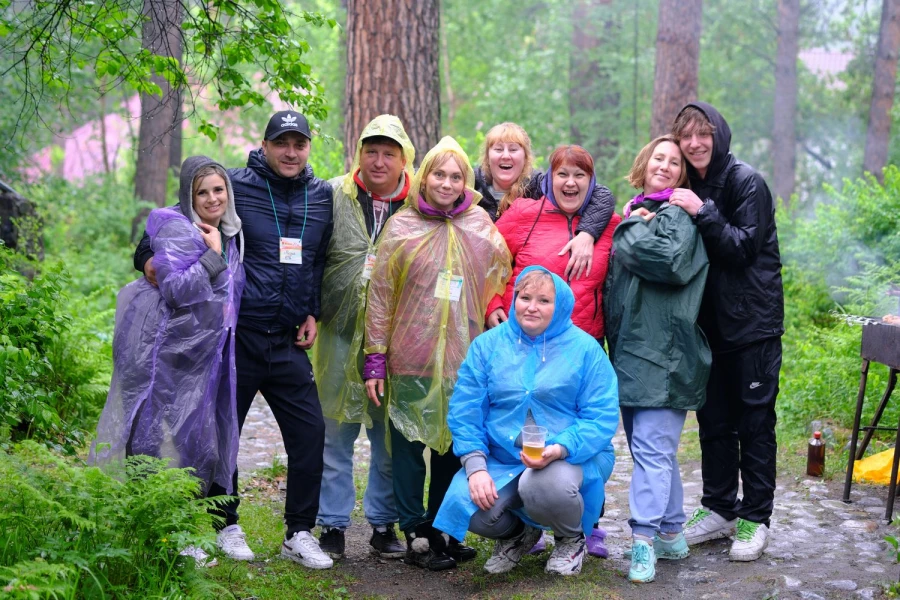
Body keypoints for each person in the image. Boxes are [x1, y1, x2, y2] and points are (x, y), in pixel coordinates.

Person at [133, 111, 335, 569]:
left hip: (286, 340)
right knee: (221, 435)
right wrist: (148, 261)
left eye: (298, 143)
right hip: (235, 339)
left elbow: (321, 259)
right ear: (263, 145)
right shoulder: (234, 185)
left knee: (311, 433)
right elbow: (173, 219)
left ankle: (299, 532)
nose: (290, 152)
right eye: (280, 142)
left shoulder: (322, 196)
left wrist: (313, 310)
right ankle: (225, 524)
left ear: (308, 147)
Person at [363, 136, 511, 571]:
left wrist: (494, 308)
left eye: (456, 176)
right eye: (439, 174)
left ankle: (440, 527)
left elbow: (497, 278)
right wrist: (375, 356)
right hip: (410, 356)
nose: (446, 183)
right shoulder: (402, 226)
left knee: (453, 445)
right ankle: (414, 531)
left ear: (466, 181)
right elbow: (381, 296)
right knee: (409, 446)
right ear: (423, 177)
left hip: (461, 359)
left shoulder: (480, 224)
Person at [92, 156, 245, 567]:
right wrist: (212, 257)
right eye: (202, 191)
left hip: (205, 352)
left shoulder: (232, 230)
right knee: (156, 438)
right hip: (166, 352)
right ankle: (164, 531)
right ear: (187, 195)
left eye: (218, 189)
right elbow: (176, 289)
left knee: (198, 439)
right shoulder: (181, 229)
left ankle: (188, 528)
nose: (212, 198)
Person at [433, 266, 619, 577]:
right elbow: (466, 411)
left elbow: (600, 416)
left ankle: (569, 539)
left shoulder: (586, 349)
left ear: (559, 306)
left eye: (544, 300)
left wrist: (561, 448)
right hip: (502, 459)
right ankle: (517, 535)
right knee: (465, 504)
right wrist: (476, 467)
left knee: (544, 484)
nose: (531, 306)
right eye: (524, 297)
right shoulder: (487, 346)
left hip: (571, 455)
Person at [668, 102, 784, 562]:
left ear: (720, 134)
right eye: (686, 136)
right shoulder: (686, 181)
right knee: (713, 422)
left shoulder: (745, 181)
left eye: (704, 134)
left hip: (752, 325)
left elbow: (741, 247)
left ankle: (755, 517)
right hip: (707, 325)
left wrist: (703, 211)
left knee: (754, 422)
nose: (695, 143)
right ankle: (719, 508)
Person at [603, 136, 711, 583]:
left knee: (650, 450)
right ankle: (670, 533)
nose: (665, 166)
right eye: (658, 158)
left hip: (664, 355)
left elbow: (664, 260)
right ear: (644, 164)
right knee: (654, 451)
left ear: (683, 176)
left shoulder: (675, 218)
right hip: (632, 352)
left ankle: (643, 541)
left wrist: (628, 225)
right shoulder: (646, 212)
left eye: (674, 162)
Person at [313, 115, 414, 560]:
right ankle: (332, 524)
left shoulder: (417, 203)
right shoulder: (335, 194)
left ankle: (382, 523)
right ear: (360, 153)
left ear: (403, 159)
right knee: (334, 431)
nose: (378, 161)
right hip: (337, 329)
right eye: (371, 151)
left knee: (387, 437)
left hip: (393, 340)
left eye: (388, 153)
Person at [488, 144, 620, 342]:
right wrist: (491, 305)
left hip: (581, 345)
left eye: (579, 175)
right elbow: (483, 260)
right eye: (562, 174)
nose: (570, 183)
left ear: (591, 181)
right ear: (550, 178)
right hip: (522, 339)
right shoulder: (524, 213)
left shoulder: (610, 224)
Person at [474, 122, 616, 282]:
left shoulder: (539, 185)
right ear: (487, 156)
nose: (506, 155)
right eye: (498, 149)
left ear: (525, 157)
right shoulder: (470, 185)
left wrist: (587, 233)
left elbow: (602, 195)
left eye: (513, 149)